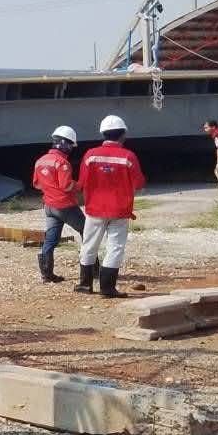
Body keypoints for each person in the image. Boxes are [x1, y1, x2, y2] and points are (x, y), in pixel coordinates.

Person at [74, 114, 146, 298]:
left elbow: (81, 183)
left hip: (94, 209)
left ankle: (84, 284)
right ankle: (107, 288)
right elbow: (138, 183)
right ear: (123, 135)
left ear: (103, 133)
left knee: (89, 245)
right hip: (120, 210)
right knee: (115, 247)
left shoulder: (90, 155)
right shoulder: (129, 156)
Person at [32, 125, 85, 283]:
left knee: (50, 240)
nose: (71, 149)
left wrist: (50, 189)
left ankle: (46, 275)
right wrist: (80, 185)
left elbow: (36, 184)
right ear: (65, 144)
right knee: (87, 232)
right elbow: (66, 185)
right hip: (65, 206)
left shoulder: (40, 161)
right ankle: (91, 269)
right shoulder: (62, 163)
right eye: (71, 145)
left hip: (49, 206)